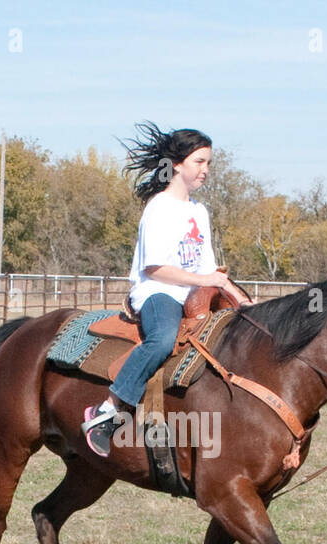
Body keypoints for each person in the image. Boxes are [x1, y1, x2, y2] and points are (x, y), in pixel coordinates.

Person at [82, 123, 251, 457]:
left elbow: (209, 268)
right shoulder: (159, 208)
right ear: (177, 164)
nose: (206, 170)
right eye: (199, 162)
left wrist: (240, 298)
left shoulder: (198, 211)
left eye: (208, 163)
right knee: (161, 340)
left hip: (192, 292)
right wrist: (207, 282)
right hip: (159, 292)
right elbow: (154, 268)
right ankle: (107, 410)